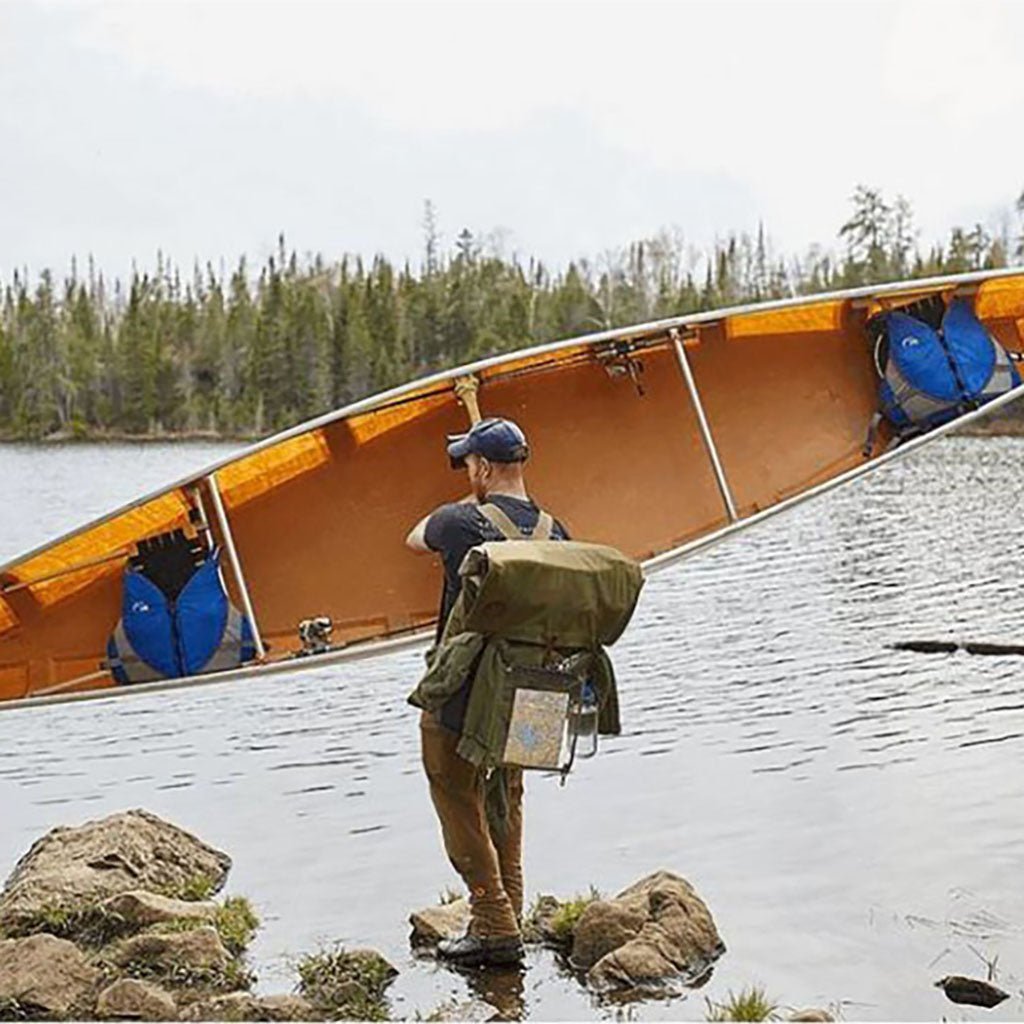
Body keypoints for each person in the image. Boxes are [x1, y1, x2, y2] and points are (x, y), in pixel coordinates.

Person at [405, 416, 568, 968]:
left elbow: (413, 537)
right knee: (509, 793)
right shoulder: (558, 531)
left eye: (469, 463)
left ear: (483, 468)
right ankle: (510, 911)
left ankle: (494, 921)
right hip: (542, 690)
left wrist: (473, 501)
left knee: (455, 791)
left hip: (471, 689)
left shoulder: (457, 522)